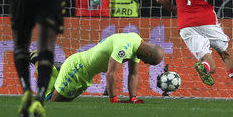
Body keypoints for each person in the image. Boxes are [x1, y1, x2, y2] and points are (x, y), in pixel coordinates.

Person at [30, 32, 164, 102]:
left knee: (62, 100)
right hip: (77, 68)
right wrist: (114, 98)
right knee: (53, 103)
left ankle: (53, 70)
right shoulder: (125, 46)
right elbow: (111, 73)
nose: (145, 63)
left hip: (86, 75)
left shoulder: (136, 44)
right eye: (148, 62)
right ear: (147, 53)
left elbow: (133, 74)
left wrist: (133, 98)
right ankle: (39, 62)